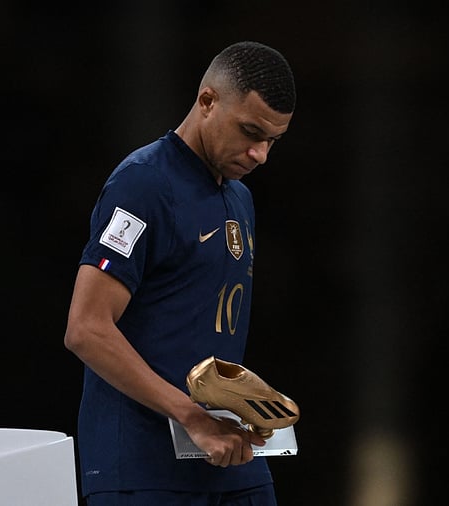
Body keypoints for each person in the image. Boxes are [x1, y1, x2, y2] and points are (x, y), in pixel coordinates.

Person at [63, 41, 296, 506]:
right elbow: (86, 329)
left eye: (272, 140)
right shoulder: (143, 183)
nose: (260, 154)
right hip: (143, 465)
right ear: (207, 101)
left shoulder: (239, 199)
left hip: (228, 455)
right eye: (250, 131)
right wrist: (191, 416)